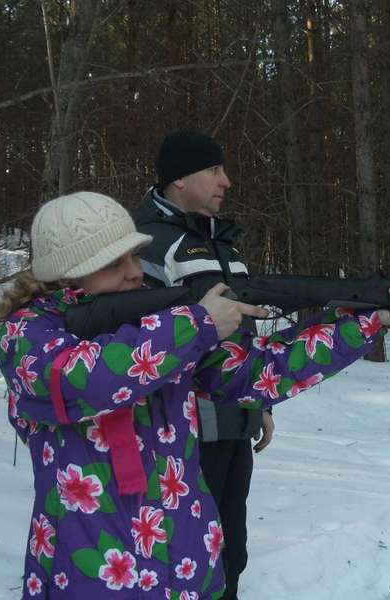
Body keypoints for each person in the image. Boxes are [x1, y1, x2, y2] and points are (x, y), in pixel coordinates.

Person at [0, 190, 390, 599]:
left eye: (134, 255)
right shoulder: (28, 337)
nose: (135, 272)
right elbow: (85, 379)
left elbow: (259, 371)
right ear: (66, 276)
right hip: (91, 576)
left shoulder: (160, 320)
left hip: (189, 566)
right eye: (112, 263)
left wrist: (365, 322)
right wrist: (196, 324)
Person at [133, 131, 265, 599]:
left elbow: (240, 334)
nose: (225, 181)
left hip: (233, 425)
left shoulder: (223, 244)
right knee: (186, 558)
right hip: (181, 435)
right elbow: (142, 340)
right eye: (213, 170)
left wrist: (259, 402)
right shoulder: (148, 245)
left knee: (233, 552)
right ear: (178, 179)